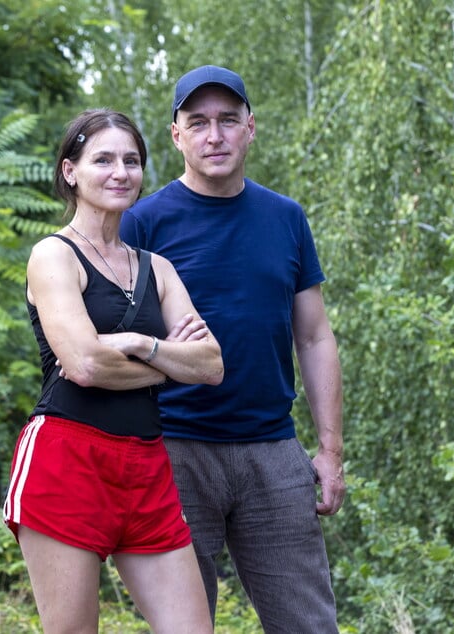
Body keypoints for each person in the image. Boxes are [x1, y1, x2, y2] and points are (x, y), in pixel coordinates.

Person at [120, 65, 346, 633]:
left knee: (309, 625)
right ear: (177, 137)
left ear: (251, 128)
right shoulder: (141, 222)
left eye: (227, 121)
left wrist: (330, 451)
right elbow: (114, 343)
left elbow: (314, 336)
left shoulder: (286, 218)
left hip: (272, 451)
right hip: (173, 449)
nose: (213, 136)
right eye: (198, 123)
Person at [3, 109, 222, 634]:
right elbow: (82, 364)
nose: (120, 172)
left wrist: (137, 342)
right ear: (70, 171)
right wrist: (168, 361)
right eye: (102, 159)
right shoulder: (53, 255)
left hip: (146, 465)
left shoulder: (157, 268)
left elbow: (212, 365)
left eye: (131, 160)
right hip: (65, 457)